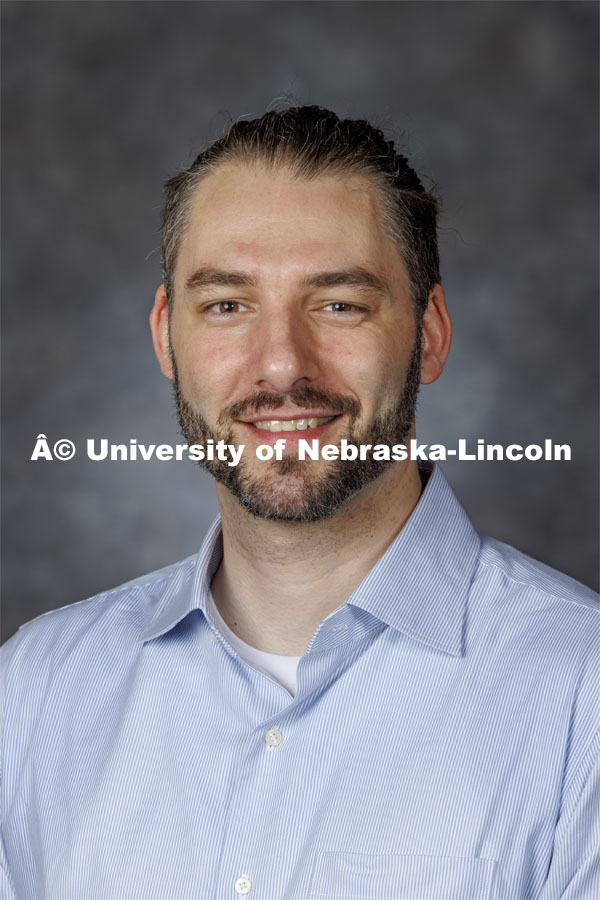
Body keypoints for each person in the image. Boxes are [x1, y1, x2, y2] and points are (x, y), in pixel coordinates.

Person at [1, 106, 598, 900]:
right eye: (227, 305)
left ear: (429, 334)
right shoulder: (34, 691)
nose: (281, 363)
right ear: (163, 338)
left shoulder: (581, 694)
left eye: (340, 304)